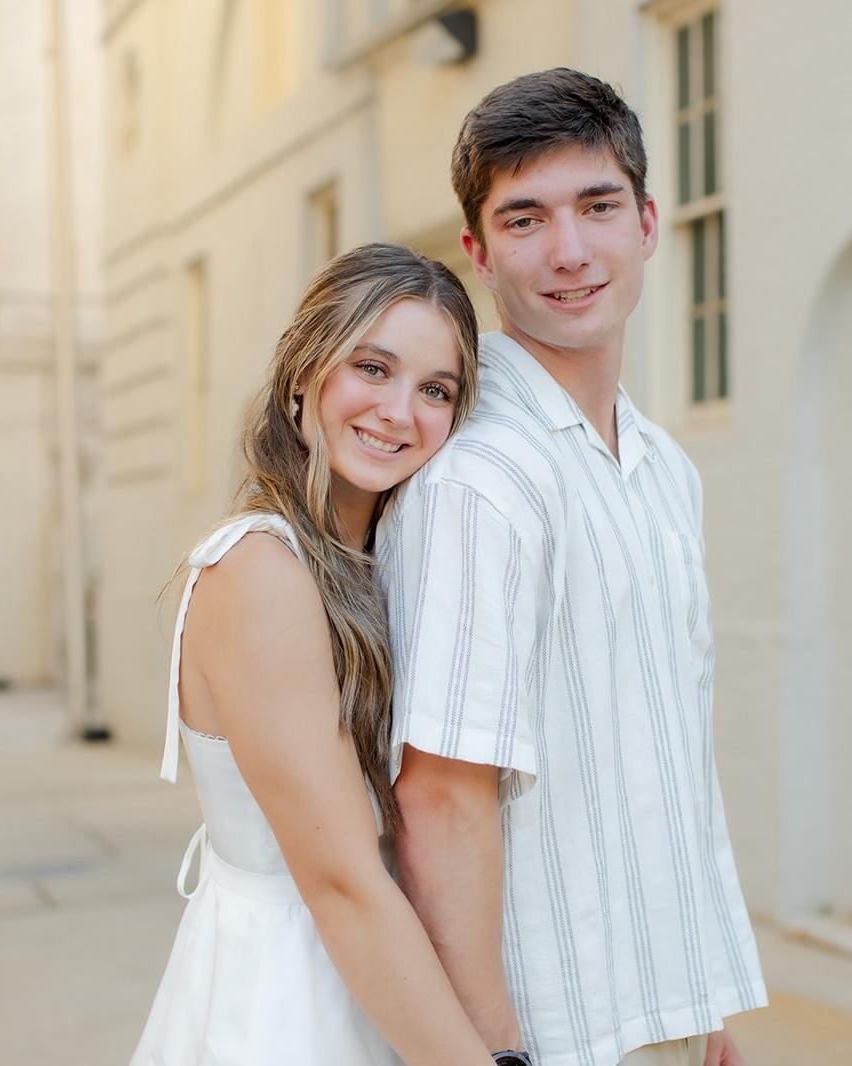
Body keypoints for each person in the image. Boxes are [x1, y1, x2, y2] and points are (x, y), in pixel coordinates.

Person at [379, 70, 768, 1066]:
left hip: (663, 1011)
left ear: (646, 222)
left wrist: (700, 1004)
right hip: (553, 1033)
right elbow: (439, 797)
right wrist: (493, 1050)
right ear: (477, 252)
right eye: (524, 219)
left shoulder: (663, 467)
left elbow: (663, 753)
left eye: (597, 206)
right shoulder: (480, 480)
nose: (568, 251)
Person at [131, 243, 500, 1066]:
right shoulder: (262, 570)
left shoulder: (372, 568)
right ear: (305, 370)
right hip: (290, 996)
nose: (399, 411)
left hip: (376, 975)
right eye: (373, 368)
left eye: (435, 390)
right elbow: (340, 885)